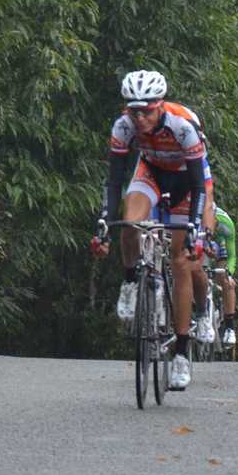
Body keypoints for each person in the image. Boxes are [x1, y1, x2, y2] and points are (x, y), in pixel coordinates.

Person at [90, 70, 208, 391]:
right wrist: (103, 223)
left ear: (160, 105)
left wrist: (195, 228)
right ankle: (130, 281)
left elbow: (200, 185)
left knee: (181, 262)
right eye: (133, 110)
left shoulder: (182, 126)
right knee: (130, 222)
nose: (139, 117)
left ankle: (182, 353)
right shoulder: (123, 126)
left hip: (187, 180)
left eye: (146, 110)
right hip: (152, 171)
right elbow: (114, 181)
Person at [208, 207, 238, 347]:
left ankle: (230, 328)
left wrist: (229, 273)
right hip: (201, 244)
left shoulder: (225, 225)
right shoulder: (195, 219)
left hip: (221, 244)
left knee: (226, 279)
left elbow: (232, 256)